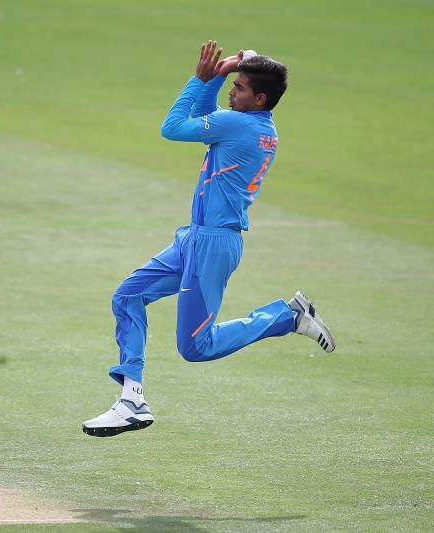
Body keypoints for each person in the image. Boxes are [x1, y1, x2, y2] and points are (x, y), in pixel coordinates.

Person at [82, 40, 335, 438]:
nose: (231, 91)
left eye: (239, 87)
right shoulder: (254, 124)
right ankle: (131, 398)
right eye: (231, 84)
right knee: (128, 295)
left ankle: (286, 317)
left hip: (212, 245)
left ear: (260, 97)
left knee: (196, 348)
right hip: (195, 239)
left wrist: (204, 77)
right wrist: (217, 80)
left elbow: (172, 127)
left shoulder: (239, 125)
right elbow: (203, 117)